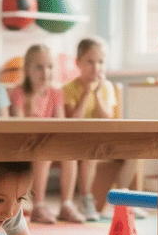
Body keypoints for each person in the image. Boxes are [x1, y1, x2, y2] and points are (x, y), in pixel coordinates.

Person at [62, 37, 145, 221]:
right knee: (91, 153)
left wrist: (97, 95)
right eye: (90, 62)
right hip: (80, 141)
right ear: (78, 63)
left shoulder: (107, 87)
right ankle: (85, 199)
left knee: (135, 151)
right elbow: (72, 121)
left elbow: (108, 119)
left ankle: (124, 199)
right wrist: (85, 94)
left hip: (105, 139)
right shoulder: (69, 88)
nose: (96, 67)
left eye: (100, 62)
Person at [9, 44, 83, 224]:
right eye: (39, 67)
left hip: (48, 142)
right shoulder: (19, 92)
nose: (46, 72)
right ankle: (39, 206)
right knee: (44, 154)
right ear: (27, 70)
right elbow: (17, 124)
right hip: (24, 143)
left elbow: (60, 123)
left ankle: (66, 204)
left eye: (50, 67)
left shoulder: (56, 93)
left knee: (70, 155)